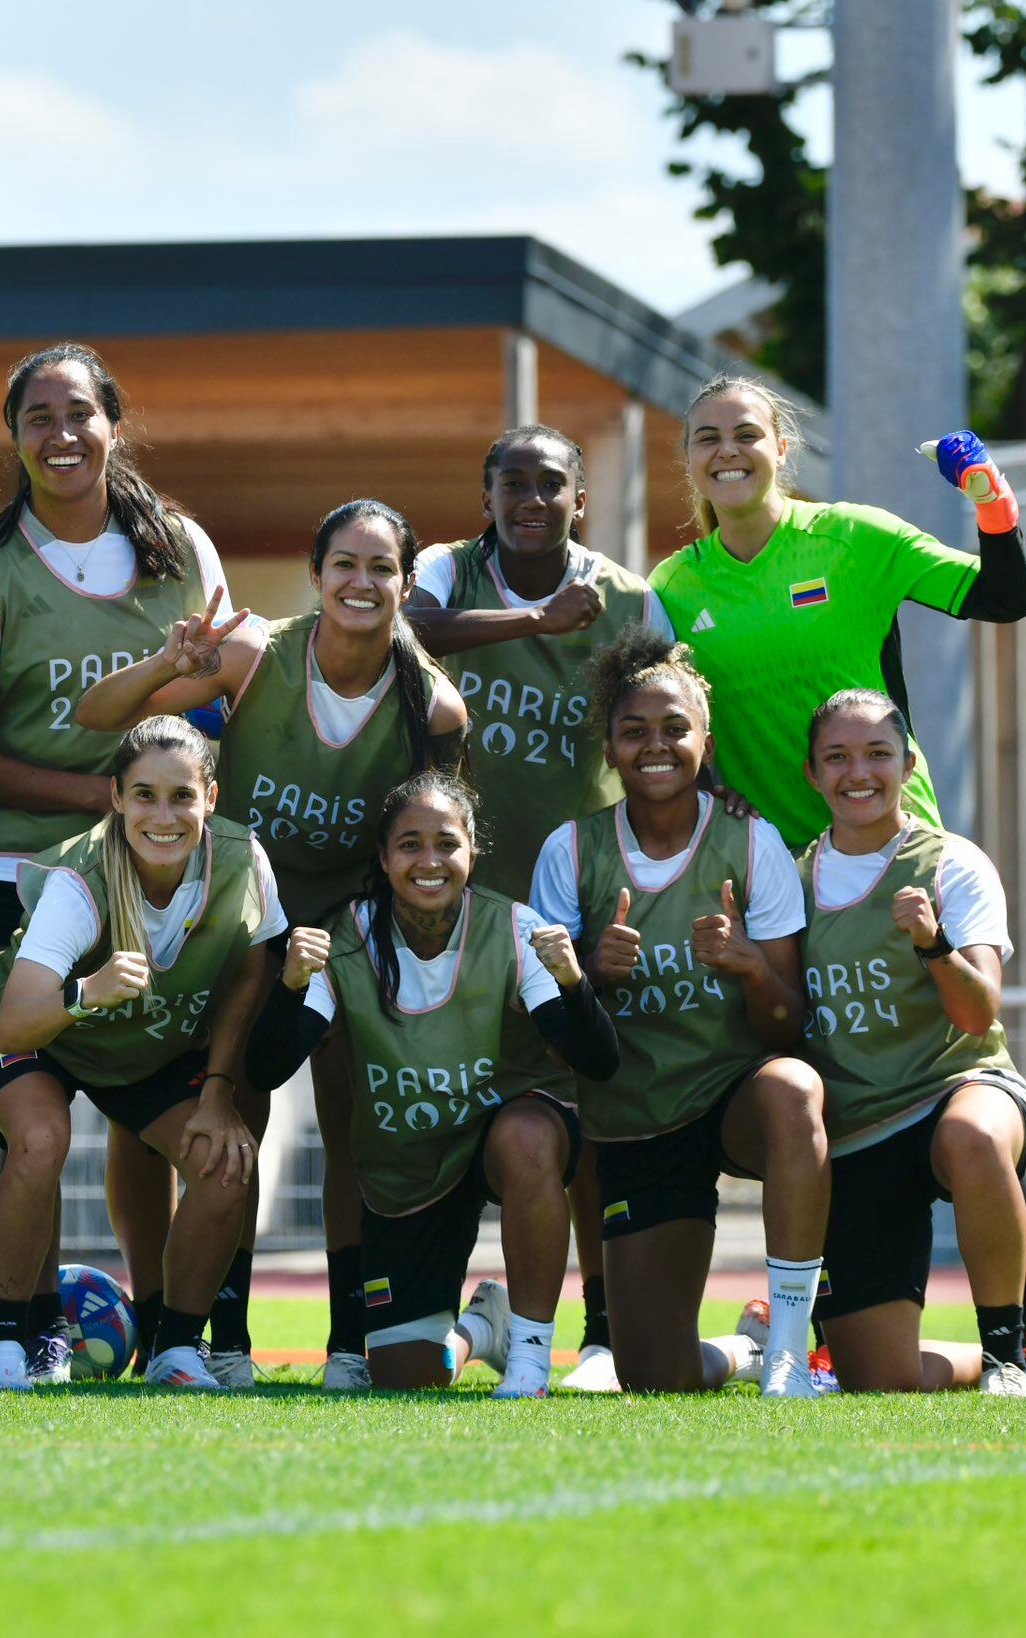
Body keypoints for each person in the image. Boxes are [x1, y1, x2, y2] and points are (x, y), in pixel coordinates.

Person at [654, 376, 1026, 1390]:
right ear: (687, 459)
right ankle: (822, 1303)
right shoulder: (671, 585)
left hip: (893, 852)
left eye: (745, 434)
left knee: (953, 1064)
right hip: (787, 880)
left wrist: (988, 498)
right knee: (828, 1078)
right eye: (706, 437)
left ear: (778, 448)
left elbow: (1001, 596)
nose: (727, 450)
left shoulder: (853, 539)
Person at [77, 497, 465, 1389]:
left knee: (351, 1132)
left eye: (381, 568)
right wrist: (167, 664)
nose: (361, 583)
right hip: (238, 920)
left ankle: (346, 1345)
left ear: (406, 584)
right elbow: (101, 720)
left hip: (348, 929)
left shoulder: (432, 708)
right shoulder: (254, 652)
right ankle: (224, 1337)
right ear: (317, 574)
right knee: (235, 1117)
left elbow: (437, 838)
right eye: (345, 565)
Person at [0, 343, 231, 1379]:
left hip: (162, 869)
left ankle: (179, 1329)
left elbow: (218, 686)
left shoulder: (180, 545)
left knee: (156, 1100)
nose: (60, 434)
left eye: (79, 414)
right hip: (19, 880)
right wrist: (102, 806)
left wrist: (158, 809)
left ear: (114, 422)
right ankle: (31, 1327)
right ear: (13, 438)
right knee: (41, 1118)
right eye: (37, 418)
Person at [408, 423, 675, 1390]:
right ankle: (405, 1318)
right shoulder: (443, 568)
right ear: (485, 498)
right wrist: (537, 623)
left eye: (549, 483)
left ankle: (598, 1337)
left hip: (579, 892)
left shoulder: (631, 597)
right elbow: (409, 634)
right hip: (450, 898)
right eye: (511, 483)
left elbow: (669, 709)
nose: (530, 499)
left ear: (579, 500)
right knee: (431, 1110)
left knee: (591, 1112)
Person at [526, 629, 828, 1396]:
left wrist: (752, 966)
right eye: (633, 731)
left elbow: (787, 1025)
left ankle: (790, 1350)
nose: (654, 746)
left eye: (674, 729)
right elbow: (552, 1032)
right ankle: (748, 1347)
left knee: (796, 1089)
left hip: (731, 1098)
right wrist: (591, 974)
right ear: (609, 747)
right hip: (637, 1120)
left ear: (706, 741)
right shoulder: (569, 850)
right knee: (655, 1379)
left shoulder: (752, 845)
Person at [247, 771, 617, 1394]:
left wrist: (575, 985)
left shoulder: (514, 929)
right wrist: (287, 991)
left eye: (446, 843)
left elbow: (597, 1061)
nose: (429, 860)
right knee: (408, 1377)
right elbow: (266, 1070)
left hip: (497, 1139)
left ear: (472, 851)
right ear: (384, 858)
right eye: (410, 844)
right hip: (411, 1172)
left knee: (529, 1137)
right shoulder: (347, 938)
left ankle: (528, 1361)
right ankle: (483, 1327)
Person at [0, 717, 276, 1391]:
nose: (164, 815)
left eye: (182, 796)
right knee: (41, 1138)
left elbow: (255, 964)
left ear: (210, 800)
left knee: (224, 1162)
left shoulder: (243, 856)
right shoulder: (79, 880)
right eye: (145, 795)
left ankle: (177, 1349)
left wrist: (218, 1091)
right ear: (116, 798)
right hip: (33, 1032)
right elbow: (13, 1026)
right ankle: (8, 1341)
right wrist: (86, 993)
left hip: (139, 1045)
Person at [798, 690, 1026, 1395]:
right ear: (812, 774)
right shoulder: (790, 875)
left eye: (878, 754)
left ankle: (1006, 1353)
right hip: (858, 1126)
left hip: (956, 1086)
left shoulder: (953, 864)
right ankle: (978, 1361)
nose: (859, 773)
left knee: (973, 1138)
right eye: (837, 757)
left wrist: (933, 945)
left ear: (908, 765)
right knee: (880, 1380)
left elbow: (977, 1013)